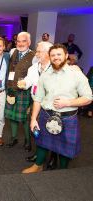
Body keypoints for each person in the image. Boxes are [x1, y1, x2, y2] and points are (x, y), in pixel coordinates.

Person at [22, 44, 92, 173]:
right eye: (53, 55)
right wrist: (33, 119)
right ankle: (38, 166)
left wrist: (68, 102)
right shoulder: (45, 75)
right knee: (42, 142)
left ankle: (62, 171)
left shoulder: (76, 74)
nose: (56, 57)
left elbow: (88, 97)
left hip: (67, 117)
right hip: (46, 114)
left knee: (65, 148)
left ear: (66, 56)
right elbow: (38, 99)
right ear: (50, 57)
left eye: (59, 54)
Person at [5, 32, 35, 152]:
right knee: (12, 117)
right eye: (18, 41)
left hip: (24, 92)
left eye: (24, 41)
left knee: (25, 118)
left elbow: (36, 77)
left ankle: (28, 141)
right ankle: (13, 138)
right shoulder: (12, 52)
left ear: (29, 42)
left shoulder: (34, 56)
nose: (20, 43)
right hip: (11, 89)